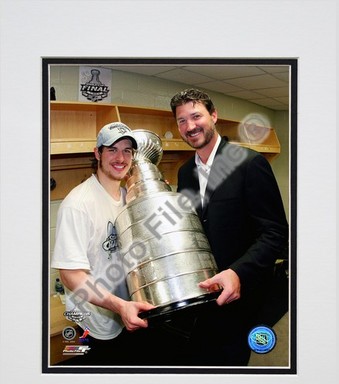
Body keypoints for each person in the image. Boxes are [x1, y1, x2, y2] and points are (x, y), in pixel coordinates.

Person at [167, 88, 289, 366]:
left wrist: (237, 272)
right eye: (181, 121)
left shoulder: (249, 163)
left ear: (213, 115)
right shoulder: (185, 172)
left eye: (196, 116)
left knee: (232, 361)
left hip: (241, 293)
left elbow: (275, 233)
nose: (190, 126)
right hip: (202, 292)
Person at [51, 122, 155, 366]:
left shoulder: (127, 197)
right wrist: (118, 306)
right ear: (97, 153)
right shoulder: (78, 204)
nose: (121, 158)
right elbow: (70, 275)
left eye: (127, 151)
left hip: (128, 310)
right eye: (112, 150)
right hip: (96, 323)